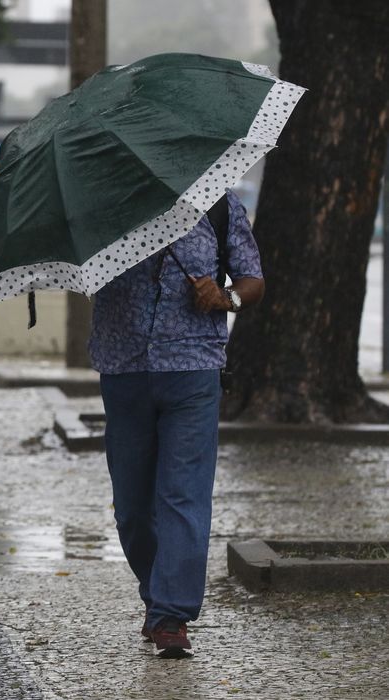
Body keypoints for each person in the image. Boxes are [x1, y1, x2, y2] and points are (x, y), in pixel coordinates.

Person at [88, 189, 265, 658]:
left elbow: (253, 281)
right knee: (130, 509)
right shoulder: (107, 206)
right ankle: (159, 592)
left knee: (182, 495)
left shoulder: (219, 204)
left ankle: (171, 616)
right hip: (123, 368)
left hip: (193, 369)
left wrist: (225, 298)